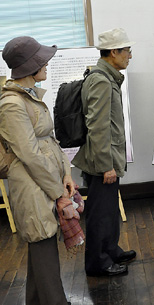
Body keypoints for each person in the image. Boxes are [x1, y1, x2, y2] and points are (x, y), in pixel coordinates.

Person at [0, 36, 75, 305]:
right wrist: (58, 192)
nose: (47, 65)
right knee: (43, 248)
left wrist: (66, 173)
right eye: (42, 61)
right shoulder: (12, 104)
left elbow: (50, 142)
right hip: (32, 186)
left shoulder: (28, 97)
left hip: (45, 181)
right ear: (30, 66)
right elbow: (30, 155)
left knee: (41, 250)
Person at [72, 28, 136, 276]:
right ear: (113, 52)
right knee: (100, 213)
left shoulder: (107, 77)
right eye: (127, 50)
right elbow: (97, 127)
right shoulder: (100, 80)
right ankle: (98, 263)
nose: (130, 55)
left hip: (107, 157)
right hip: (102, 161)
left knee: (108, 209)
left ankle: (110, 250)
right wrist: (105, 165)